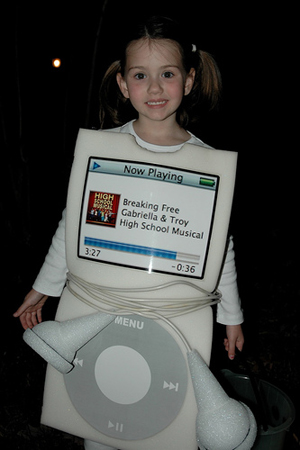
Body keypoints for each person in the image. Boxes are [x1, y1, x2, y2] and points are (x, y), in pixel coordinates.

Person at [13, 15, 244, 450]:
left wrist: (230, 315)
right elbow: (74, 224)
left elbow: (220, 244)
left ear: (189, 81)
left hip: (173, 319)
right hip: (102, 313)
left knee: (161, 429)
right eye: (141, 75)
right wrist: (43, 287)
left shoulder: (208, 163)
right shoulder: (103, 151)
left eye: (168, 74)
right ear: (122, 84)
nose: (154, 88)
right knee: (102, 422)